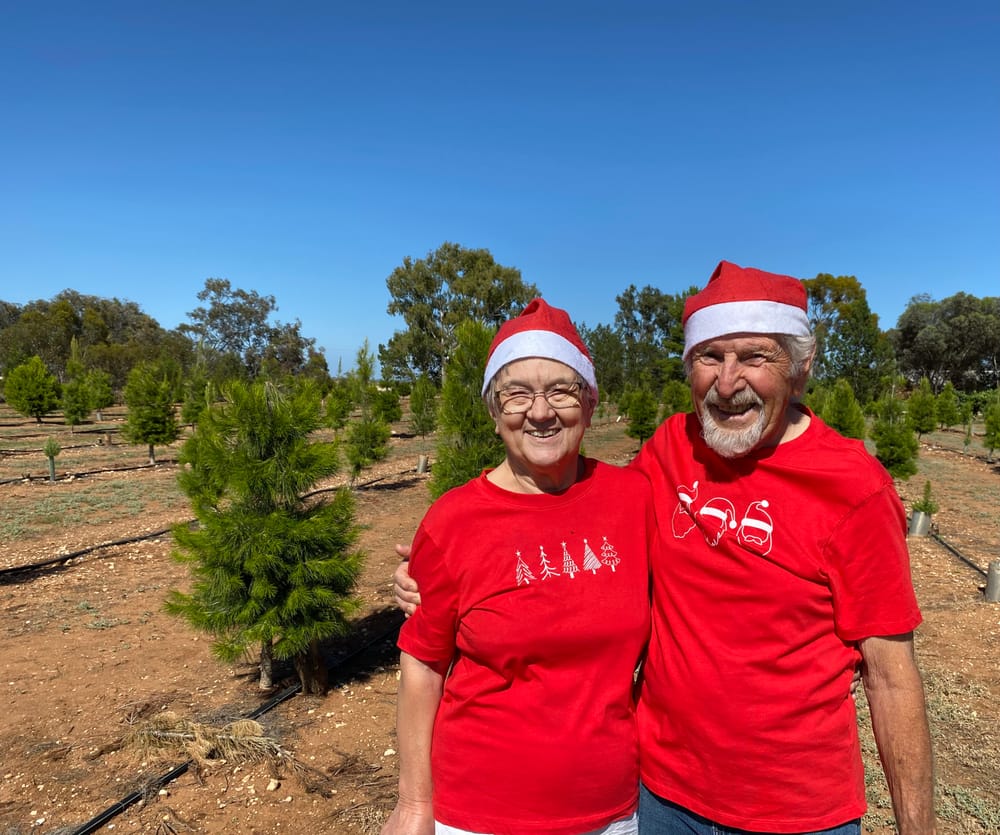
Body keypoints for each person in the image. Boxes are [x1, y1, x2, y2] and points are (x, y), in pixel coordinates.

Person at [394, 261, 936, 835]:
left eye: (754, 356)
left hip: (795, 809)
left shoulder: (854, 488)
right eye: (710, 357)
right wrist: (428, 581)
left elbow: (891, 677)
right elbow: (557, 525)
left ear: (800, 369)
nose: (728, 383)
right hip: (663, 798)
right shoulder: (669, 452)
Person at [380, 298, 658, 835]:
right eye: (517, 395)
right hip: (482, 812)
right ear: (493, 410)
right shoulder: (454, 521)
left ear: (591, 401)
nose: (540, 411)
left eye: (561, 390)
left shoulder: (633, 499)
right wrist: (414, 805)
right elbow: (423, 667)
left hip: (614, 808)